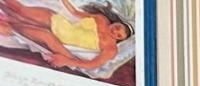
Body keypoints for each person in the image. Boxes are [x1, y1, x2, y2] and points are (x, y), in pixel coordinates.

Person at [0, 0, 131, 73]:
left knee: (15, 23)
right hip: (58, 22)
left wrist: (66, 61)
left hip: (55, 38)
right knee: (21, 10)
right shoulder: (102, 19)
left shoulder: (111, 49)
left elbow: (92, 64)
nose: (115, 32)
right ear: (118, 22)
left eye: (119, 36)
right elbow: (75, 12)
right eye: (118, 28)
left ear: (120, 39)